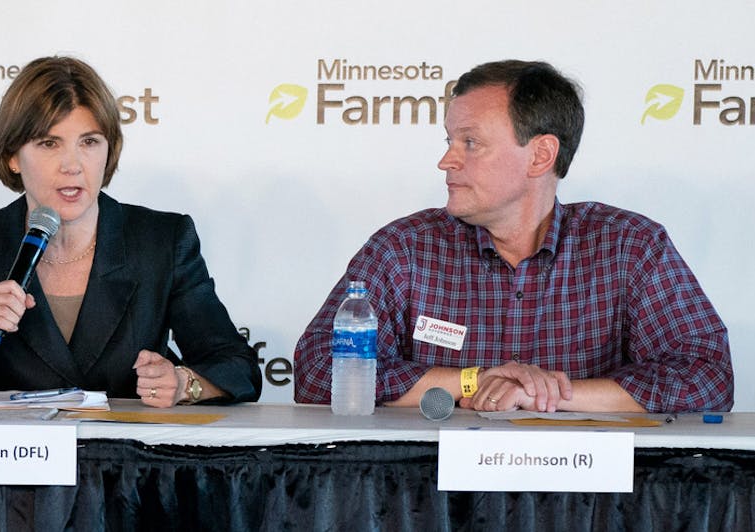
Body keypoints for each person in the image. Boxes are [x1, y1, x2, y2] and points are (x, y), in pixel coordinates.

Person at [292, 60, 731, 414]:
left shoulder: (628, 245)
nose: (446, 160)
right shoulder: (404, 248)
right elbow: (316, 372)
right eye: (449, 140)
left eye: (470, 142)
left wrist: (545, 394)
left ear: (540, 155)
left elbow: (708, 377)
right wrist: (473, 380)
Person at [0, 56, 260, 408]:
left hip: (129, 459)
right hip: (7, 458)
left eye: (89, 142)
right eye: (48, 143)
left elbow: (238, 367)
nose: (72, 165)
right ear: (12, 156)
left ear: (108, 149)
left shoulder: (162, 241)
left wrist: (183, 383)